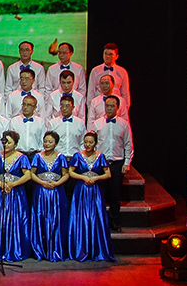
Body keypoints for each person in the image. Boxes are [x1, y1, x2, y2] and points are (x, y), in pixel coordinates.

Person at [67, 131, 115, 261]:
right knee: (81, 217)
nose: (88, 145)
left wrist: (96, 178)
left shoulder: (100, 157)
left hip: (94, 190)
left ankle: (96, 249)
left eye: (91, 142)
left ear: (95, 143)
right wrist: (83, 177)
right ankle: (80, 249)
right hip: (81, 190)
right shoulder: (78, 156)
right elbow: (70, 172)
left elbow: (108, 174)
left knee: (95, 217)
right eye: (86, 142)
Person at [87, 95, 133, 230]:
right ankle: (99, 222)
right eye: (107, 106)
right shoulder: (97, 124)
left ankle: (114, 222)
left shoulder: (124, 124)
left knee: (115, 195)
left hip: (117, 162)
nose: (109, 108)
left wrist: (127, 163)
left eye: (112, 106)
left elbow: (128, 144)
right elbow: (91, 144)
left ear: (118, 108)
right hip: (102, 163)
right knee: (99, 194)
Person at [0, 130, 36, 262]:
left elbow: (28, 175)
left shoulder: (22, 158)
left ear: (15, 143)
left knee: (16, 219)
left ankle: (15, 249)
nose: (6, 145)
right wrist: (0, 184)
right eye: (4, 142)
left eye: (9, 142)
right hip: (0, 191)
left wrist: (13, 184)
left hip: (16, 193)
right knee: (0, 218)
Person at [31, 130, 69, 262]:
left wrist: (57, 183)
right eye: (45, 141)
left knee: (56, 219)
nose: (47, 144)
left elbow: (66, 174)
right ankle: (40, 249)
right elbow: (32, 173)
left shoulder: (61, 157)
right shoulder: (37, 157)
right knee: (40, 218)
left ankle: (55, 248)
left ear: (56, 143)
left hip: (56, 192)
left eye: (50, 142)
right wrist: (42, 182)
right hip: (41, 192)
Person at [87, 43, 132, 118]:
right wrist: (91, 110)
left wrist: (123, 110)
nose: (107, 56)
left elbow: (125, 94)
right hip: (99, 108)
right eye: (105, 54)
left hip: (116, 109)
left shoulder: (122, 72)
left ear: (116, 56)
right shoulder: (95, 71)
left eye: (110, 54)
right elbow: (91, 92)